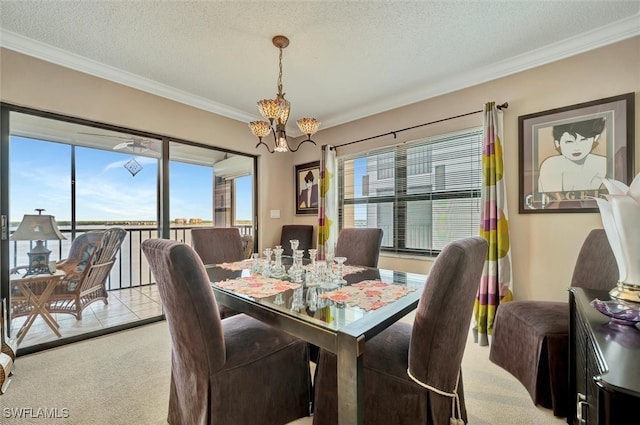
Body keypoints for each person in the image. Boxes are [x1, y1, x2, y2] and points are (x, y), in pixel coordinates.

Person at [537, 117, 607, 193]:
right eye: (569, 142)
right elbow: (556, 201)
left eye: (583, 140)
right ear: (557, 143)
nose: (576, 147)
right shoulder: (550, 164)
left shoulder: (602, 163)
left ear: (595, 138)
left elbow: (587, 199)